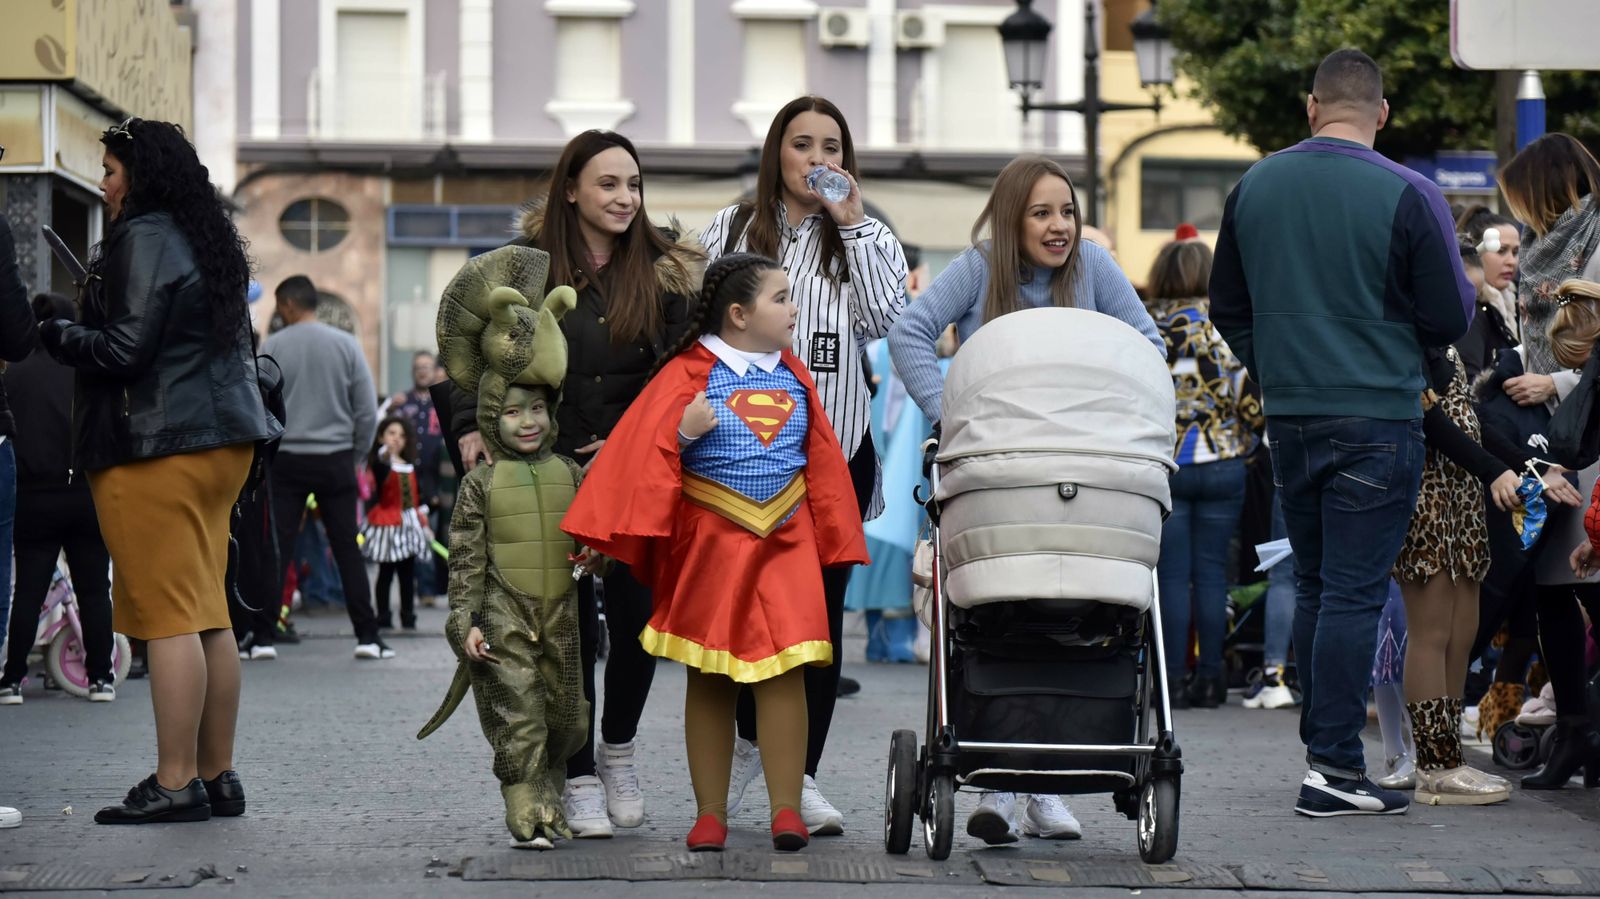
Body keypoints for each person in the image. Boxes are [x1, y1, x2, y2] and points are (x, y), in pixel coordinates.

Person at [1209, 50, 1474, 817]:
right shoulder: (1409, 191)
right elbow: (1451, 315)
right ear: (1382, 113)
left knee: (1322, 585)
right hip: (1379, 413)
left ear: (1310, 105)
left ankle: (1324, 754)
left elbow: (1229, 304)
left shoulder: (1254, 184)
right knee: (1355, 592)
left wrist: (1275, 365)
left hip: (1291, 414)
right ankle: (1331, 767)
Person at [888, 153, 1160, 844]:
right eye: (1041, 212)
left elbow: (1148, 345)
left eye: (1066, 210)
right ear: (1012, 218)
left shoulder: (1094, 272)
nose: (1059, 225)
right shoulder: (980, 268)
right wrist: (944, 410)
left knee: (1073, 623)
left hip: (1085, 480)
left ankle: (1040, 788)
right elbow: (910, 330)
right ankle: (1010, 788)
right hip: (1000, 481)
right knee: (1003, 620)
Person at [441, 130, 706, 836]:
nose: (625, 198)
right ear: (570, 190)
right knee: (560, 630)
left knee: (638, 621)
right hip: (544, 473)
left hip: (635, 476)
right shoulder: (523, 269)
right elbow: (468, 352)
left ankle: (617, 749)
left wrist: (630, 440)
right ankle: (580, 771)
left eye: (634, 185)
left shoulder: (668, 272)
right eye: (609, 184)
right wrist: (470, 426)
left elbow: (683, 373)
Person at [563, 252, 869, 852]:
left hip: (786, 540)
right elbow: (641, 457)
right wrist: (682, 434)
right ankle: (710, 814)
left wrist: (828, 531)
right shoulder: (685, 375)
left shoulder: (794, 372)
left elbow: (824, 462)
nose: (793, 308)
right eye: (781, 298)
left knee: (786, 673)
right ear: (737, 314)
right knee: (709, 675)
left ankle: (787, 808)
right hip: (711, 543)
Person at [40, 117, 279, 823]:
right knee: (208, 613)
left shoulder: (144, 235)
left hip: (157, 444)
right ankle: (216, 774)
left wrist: (57, 334)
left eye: (111, 170)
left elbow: (125, 349)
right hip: (222, 444)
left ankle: (176, 781)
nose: (104, 183)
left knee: (172, 614)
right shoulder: (205, 242)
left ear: (139, 176)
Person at [699, 96, 907, 835]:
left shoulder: (869, 232)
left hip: (834, 449)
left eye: (831, 146)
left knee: (818, 619)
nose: (817, 159)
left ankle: (803, 775)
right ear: (774, 153)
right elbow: (698, 321)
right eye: (801, 144)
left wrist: (851, 224)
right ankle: (755, 744)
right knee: (742, 607)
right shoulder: (728, 228)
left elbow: (887, 320)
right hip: (737, 453)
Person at [419, 248, 589, 851]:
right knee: (518, 713)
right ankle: (525, 805)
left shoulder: (573, 472)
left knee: (567, 717)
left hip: (562, 614)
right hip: (504, 613)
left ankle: (551, 792)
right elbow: (464, 558)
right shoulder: (480, 484)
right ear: (493, 414)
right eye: (513, 411)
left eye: (537, 409)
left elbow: (596, 536)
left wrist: (598, 555)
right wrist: (463, 619)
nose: (527, 422)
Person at [1502, 135, 1600, 790]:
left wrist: (1555, 386)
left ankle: (1582, 734)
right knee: (1552, 593)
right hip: (1550, 443)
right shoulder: (1554, 247)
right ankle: (1575, 730)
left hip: (1585, 434)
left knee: (1583, 584)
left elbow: (1592, 340)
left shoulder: (1593, 239)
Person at [1391, 340, 1521, 805]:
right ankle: (1435, 764)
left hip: (1463, 492)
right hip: (1427, 491)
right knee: (1433, 630)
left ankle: (1448, 759)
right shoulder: (1410, 335)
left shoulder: (1443, 341)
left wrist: (1526, 466)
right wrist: (1494, 470)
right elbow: (1431, 418)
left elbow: (1475, 419)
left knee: (1463, 629)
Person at [1145, 237, 1263, 709]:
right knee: (1212, 573)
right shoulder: (1224, 326)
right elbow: (1253, 405)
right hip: (1224, 461)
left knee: (1171, 575)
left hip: (1165, 463)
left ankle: (1171, 681)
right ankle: (1212, 677)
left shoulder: (1143, 324)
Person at [261, 276, 386, 660]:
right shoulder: (346, 345)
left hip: (287, 459)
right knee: (347, 548)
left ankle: (262, 637)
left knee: (277, 547)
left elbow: (257, 406)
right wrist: (356, 456)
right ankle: (368, 636)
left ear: (286, 305)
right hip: (335, 458)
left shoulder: (273, 346)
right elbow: (366, 410)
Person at [0, 294, 115, 703]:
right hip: (86, 494)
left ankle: (12, 679)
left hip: (33, 496)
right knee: (95, 588)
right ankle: (101, 677)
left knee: (28, 590)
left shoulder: (13, 374)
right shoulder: (87, 369)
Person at [362, 415, 432, 631]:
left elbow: (418, 497)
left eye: (401, 435)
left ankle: (408, 616)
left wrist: (425, 524)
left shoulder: (410, 466)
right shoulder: (381, 463)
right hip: (387, 526)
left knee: (407, 575)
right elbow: (380, 466)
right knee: (386, 573)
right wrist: (385, 452)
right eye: (391, 433)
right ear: (382, 436)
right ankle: (383, 616)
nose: (397, 439)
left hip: (409, 526)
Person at [388, 351, 447, 607]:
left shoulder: (442, 400)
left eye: (427, 366)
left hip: (436, 481)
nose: (423, 371)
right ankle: (419, 589)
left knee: (433, 534)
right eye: (418, 367)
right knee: (412, 535)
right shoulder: (403, 403)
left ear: (434, 370)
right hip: (407, 479)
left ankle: (431, 587)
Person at [1453, 208, 1521, 380]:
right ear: (1477, 251)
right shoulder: (1470, 311)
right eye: (1501, 250)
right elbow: (1469, 381)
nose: (1511, 261)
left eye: (1515, 252)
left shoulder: (1516, 304)